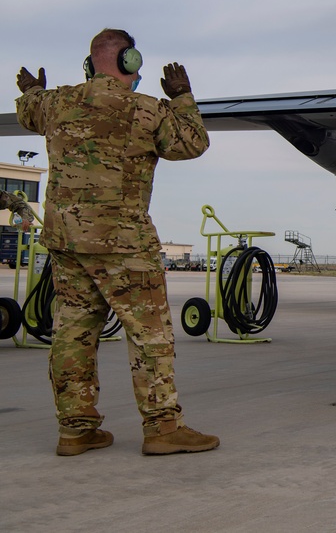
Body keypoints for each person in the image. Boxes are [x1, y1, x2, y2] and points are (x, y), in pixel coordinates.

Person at [16, 28, 219, 456]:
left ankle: (75, 429)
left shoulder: (55, 103)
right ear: (132, 61)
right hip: (123, 242)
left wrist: (33, 90)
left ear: (90, 63)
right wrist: (182, 96)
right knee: (149, 334)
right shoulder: (148, 109)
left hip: (67, 241)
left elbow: (28, 110)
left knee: (73, 331)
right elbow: (192, 143)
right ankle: (163, 427)